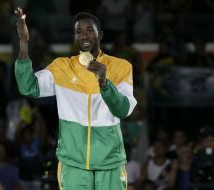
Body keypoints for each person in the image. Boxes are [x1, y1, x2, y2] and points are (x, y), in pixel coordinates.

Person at [14, 7, 137, 190]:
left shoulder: (121, 67)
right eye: (79, 31)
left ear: (100, 34)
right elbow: (28, 87)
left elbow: (123, 110)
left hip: (110, 163)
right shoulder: (62, 67)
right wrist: (24, 43)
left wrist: (105, 84)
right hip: (73, 165)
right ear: (74, 38)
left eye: (89, 30)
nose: (84, 35)